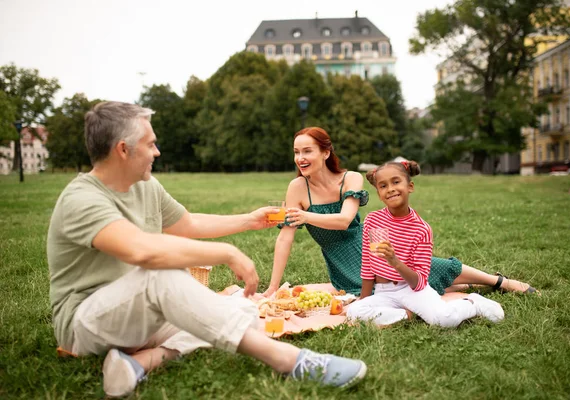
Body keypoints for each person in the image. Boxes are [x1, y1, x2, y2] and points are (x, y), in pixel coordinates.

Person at [47, 102, 367, 398]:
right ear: (122, 149)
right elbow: (142, 252)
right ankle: (292, 362)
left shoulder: (145, 186)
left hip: (138, 317)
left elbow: (187, 223)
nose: (157, 152)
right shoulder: (82, 200)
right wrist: (226, 253)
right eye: (150, 144)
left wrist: (249, 221)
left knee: (243, 310)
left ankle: (142, 361)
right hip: (86, 324)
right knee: (161, 276)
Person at [265, 127, 538, 298]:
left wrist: (307, 216)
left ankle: (501, 282)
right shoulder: (297, 188)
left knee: (429, 268)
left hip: (371, 248)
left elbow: (345, 220)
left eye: (307, 151)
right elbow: (284, 239)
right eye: (296, 152)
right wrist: (273, 287)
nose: (300, 158)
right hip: (341, 265)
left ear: (325, 153)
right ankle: (470, 287)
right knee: (396, 287)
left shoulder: (350, 178)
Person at [345, 161, 504, 326]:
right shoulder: (373, 220)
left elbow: (419, 282)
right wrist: (363, 299)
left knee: (444, 320)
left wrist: (395, 262)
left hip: (412, 290)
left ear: (410, 187)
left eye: (396, 182)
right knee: (354, 312)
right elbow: (368, 263)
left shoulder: (421, 229)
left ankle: (472, 303)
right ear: (379, 193)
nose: (390, 189)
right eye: (383, 186)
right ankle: (410, 315)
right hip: (384, 292)